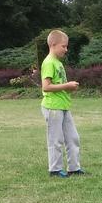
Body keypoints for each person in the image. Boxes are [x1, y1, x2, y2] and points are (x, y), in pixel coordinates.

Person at [40, 29, 86, 177]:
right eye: (63, 46)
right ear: (53, 45)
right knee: (56, 139)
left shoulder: (58, 63)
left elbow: (58, 84)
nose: (66, 49)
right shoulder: (48, 63)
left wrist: (69, 88)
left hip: (64, 106)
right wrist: (67, 86)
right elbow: (46, 87)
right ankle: (55, 169)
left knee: (73, 138)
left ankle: (74, 168)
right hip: (53, 107)